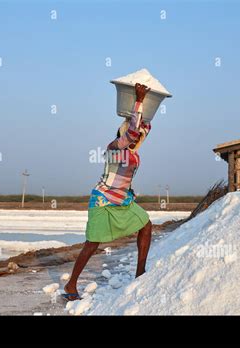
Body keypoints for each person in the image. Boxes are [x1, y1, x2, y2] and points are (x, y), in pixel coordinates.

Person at [63, 83, 153, 301]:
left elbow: (144, 127)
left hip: (122, 201)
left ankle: (140, 273)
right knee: (92, 243)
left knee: (146, 225)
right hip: (103, 200)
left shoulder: (133, 152)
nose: (137, 136)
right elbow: (133, 132)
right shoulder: (113, 148)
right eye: (132, 133)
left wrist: (147, 106)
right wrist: (139, 101)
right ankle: (71, 284)